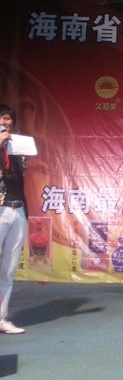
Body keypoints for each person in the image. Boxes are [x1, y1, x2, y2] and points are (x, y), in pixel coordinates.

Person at [0, 104, 28, 334]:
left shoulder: (18, 145)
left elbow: (21, 175)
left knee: (8, 269)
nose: (3, 122)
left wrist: (15, 148)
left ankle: (1, 318)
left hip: (17, 208)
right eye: (0, 119)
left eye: (7, 118)